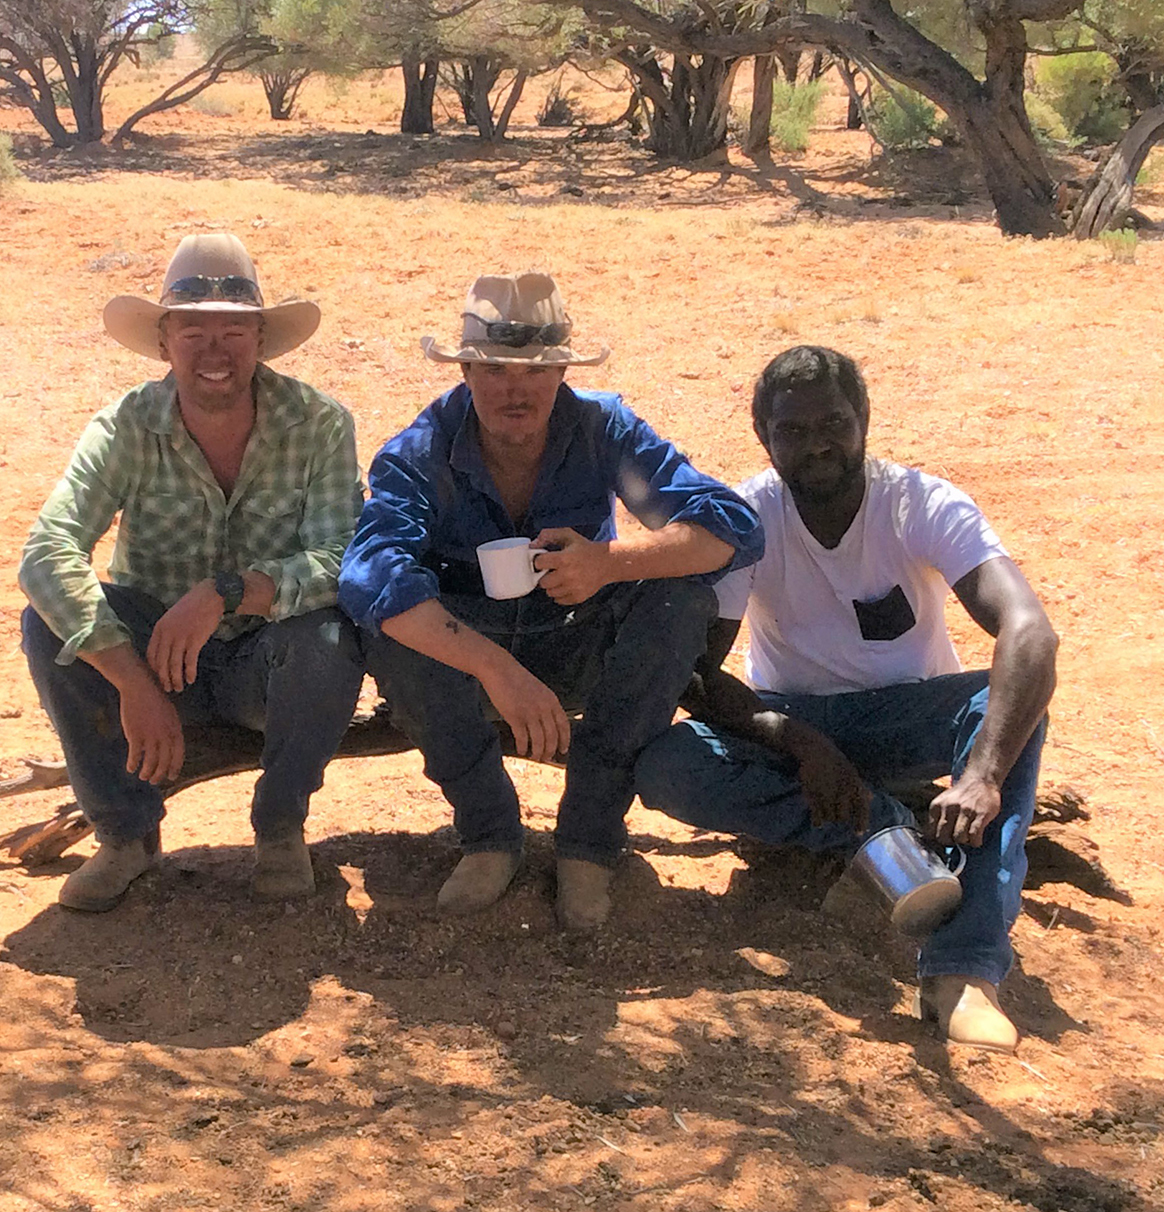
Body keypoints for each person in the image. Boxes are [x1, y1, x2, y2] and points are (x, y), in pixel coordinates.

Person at [634, 345, 1057, 1051]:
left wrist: (981, 775)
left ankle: (963, 968)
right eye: (792, 431)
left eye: (834, 422)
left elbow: (1030, 631)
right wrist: (799, 741)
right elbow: (700, 675)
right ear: (762, 437)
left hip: (906, 717)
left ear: (864, 419)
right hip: (790, 727)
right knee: (666, 764)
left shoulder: (919, 503)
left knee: (1007, 702)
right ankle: (885, 832)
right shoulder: (747, 517)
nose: (817, 444)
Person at [337, 273, 763, 931]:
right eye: (497, 369)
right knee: (387, 625)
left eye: (536, 369)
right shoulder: (422, 451)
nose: (517, 388)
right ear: (468, 370)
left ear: (563, 367)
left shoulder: (600, 428)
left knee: (677, 600)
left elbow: (731, 526)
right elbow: (371, 577)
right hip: (466, 656)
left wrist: (610, 562)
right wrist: (495, 669)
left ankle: (589, 842)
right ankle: (489, 834)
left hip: (576, 631)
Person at [21, 234, 365, 911]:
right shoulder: (125, 427)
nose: (216, 349)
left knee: (330, 638)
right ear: (163, 340)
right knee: (47, 624)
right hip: (156, 656)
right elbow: (46, 550)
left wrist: (228, 591)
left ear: (260, 337)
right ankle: (126, 835)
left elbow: (343, 558)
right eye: (194, 329)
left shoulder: (319, 423)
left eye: (234, 329)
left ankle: (280, 826)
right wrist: (130, 680)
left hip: (265, 659)